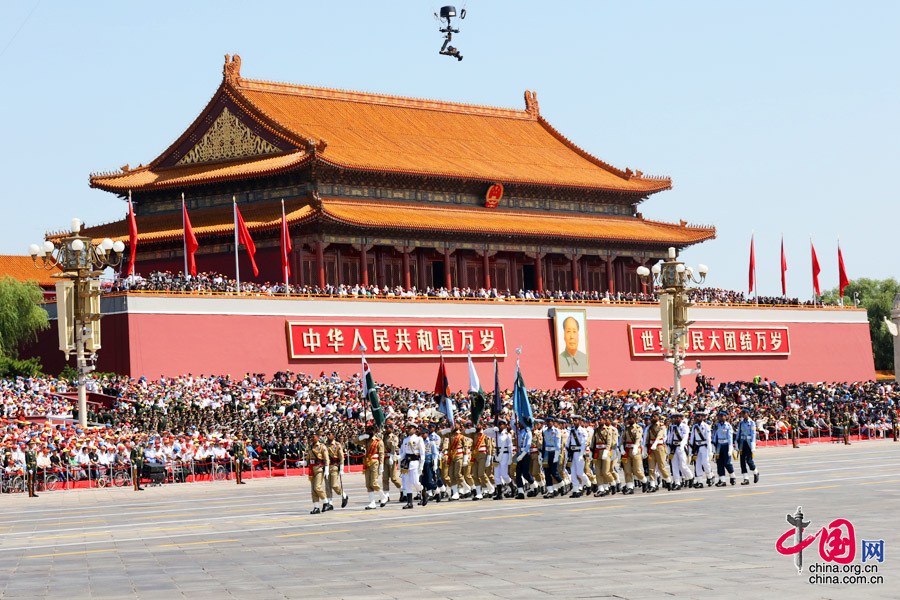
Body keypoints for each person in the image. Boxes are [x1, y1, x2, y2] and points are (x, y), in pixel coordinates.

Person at [399, 422, 425, 509]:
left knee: (415, 482)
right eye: (408, 428)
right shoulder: (405, 440)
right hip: (407, 463)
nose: (409, 430)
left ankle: (424, 492)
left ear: (415, 429)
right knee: (407, 483)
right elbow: (404, 453)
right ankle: (409, 503)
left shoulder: (419, 439)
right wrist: (398, 457)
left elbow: (422, 453)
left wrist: (421, 465)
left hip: (415, 462)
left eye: (410, 428)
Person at [619, 412, 646, 494]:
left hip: (635, 450)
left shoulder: (638, 428)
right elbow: (622, 438)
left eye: (631, 418)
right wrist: (621, 447)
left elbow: (638, 438)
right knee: (627, 470)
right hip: (627, 450)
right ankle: (630, 487)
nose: (629, 420)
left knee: (636, 470)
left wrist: (635, 446)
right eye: (628, 419)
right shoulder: (626, 429)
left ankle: (645, 482)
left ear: (635, 419)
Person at [486, 420, 513, 500]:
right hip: (497, 454)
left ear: (505, 426)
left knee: (504, 474)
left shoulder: (507, 435)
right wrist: (493, 428)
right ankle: (499, 493)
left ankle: (512, 487)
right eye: (499, 425)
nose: (501, 426)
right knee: (496, 475)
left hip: (504, 454)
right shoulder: (495, 433)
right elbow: (485, 432)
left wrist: (510, 458)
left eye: (502, 425)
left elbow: (510, 446)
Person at [644, 412, 671, 492]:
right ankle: (652, 484)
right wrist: (645, 447)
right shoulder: (649, 427)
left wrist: (655, 443)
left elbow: (660, 435)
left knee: (661, 467)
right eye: (652, 417)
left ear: (658, 418)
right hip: (651, 448)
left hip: (659, 447)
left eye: (654, 416)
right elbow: (647, 438)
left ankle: (668, 481)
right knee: (651, 468)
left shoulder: (662, 426)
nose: (652, 418)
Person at [359, 424, 384, 510]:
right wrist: (362, 437)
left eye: (371, 430)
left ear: (374, 431)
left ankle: (383, 496)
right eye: (368, 430)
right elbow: (354, 441)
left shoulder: (378, 441)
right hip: (367, 463)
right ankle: (372, 502)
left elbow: (381, 454)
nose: (369, 432)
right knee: (368, 484)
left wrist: (381, 465)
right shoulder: (366, 440)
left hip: (375, 462)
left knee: (374, 482)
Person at [667, 412, 693, 490]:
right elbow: (669, 437)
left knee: (683, 465)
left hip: (681, 447)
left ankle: (690, 477)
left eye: (677, 417)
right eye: (674, 418)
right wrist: (668, 447)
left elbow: (685, 437)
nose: (675, 419)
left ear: (682, 418)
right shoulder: (671, 427)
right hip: (673, 447)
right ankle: (677, 483)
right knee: (674, 466)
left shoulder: (685, 427)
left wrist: (682, 445)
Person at [324, 431, 348, 510]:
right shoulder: (325, 445)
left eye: (330, 434)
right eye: (327, 435)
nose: (328, 436)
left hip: (334, 466)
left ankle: (343, 495)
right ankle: (330, 503)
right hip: (327, 466)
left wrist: (341, 468)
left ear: (333, 436)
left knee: (334, 484)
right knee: (327, 486)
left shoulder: (337, 445)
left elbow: (341, 457)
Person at [689, 412, 713, 488]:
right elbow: (692, 438)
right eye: (696, 416)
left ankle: (710, 476)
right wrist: (691, 449)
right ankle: (699, 481)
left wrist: (710, 450)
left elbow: (708, 439)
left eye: (699, 416)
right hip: (697, 447)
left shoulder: (706, 426)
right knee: (697, 464)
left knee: (705, 463)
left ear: (703, 417)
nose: (697, 418)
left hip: (704, 446)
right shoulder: (694, 426)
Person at [306, 432, 329, 514]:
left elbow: (326, 458)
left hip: (319, 468)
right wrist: (304, 463)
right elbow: (308, 458)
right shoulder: (310, 447)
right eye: (311, 437)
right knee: (313, 489)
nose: (312, 438)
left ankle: (326, 502)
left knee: (317, 487)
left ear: (318, 438)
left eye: (314, 437)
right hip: (311, 469)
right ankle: (316, 507)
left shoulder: (322, 446)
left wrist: (326, 469)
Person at [380, 423, 402, 506]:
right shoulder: (383, 436)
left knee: (393, 478)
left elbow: (394, 447)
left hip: (391, 457)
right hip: (385, 458)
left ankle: (402, 491)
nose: (386, 429)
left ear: (392, 429)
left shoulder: (394, 437)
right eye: (386, 428)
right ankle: (386, 495)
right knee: (385, 478)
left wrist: (392, 457)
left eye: (388, 428)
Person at [736, 409, 760, 485]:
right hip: (742, 443)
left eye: (744, 413)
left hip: (749, 443)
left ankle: (755, 471)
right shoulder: (741, 423)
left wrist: (753, 445)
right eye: (742, 413)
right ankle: (745, 478)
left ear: (748, 414)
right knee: (742, 461)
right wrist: (736, 442)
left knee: (749, 461)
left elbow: (753, 434)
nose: (743, 415)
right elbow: (738, 433)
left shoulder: (751, 423)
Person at [712, 411, 736, 487]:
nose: (720, 417)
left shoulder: (728, 426)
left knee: (727, 463)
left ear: (725, 417)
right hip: (719, 445)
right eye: (719, 416)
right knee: (719, 463)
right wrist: (713, 447)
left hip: (726, 445)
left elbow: (730, 438)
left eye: (722, 416)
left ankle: (732, 476)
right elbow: (714, 436)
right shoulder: (716, 426)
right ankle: (722, 480)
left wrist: (730, 448)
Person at [542, 417, 564, 498]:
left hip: (554, 452)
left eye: (549, 422)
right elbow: (544, 444)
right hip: (547, 453)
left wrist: (556, 455)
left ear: (553, 422)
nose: (548, 423)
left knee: (554, 472)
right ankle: (550, 491)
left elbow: (558, 444)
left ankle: (562, 484)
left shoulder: (557, 431)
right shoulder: (544, 431)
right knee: (547, 473)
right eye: (547, 422)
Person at [514, 419, 535, 499]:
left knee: (526, 474)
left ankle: (535, 486)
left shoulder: (528, 433)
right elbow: (513, 423)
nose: (518, 424)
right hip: (519, 453)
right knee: (518, 473)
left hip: (525, 454)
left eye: (520, 423)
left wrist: (522, 455)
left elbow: (528, 445)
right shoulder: (518, 431)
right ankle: (521, 492)